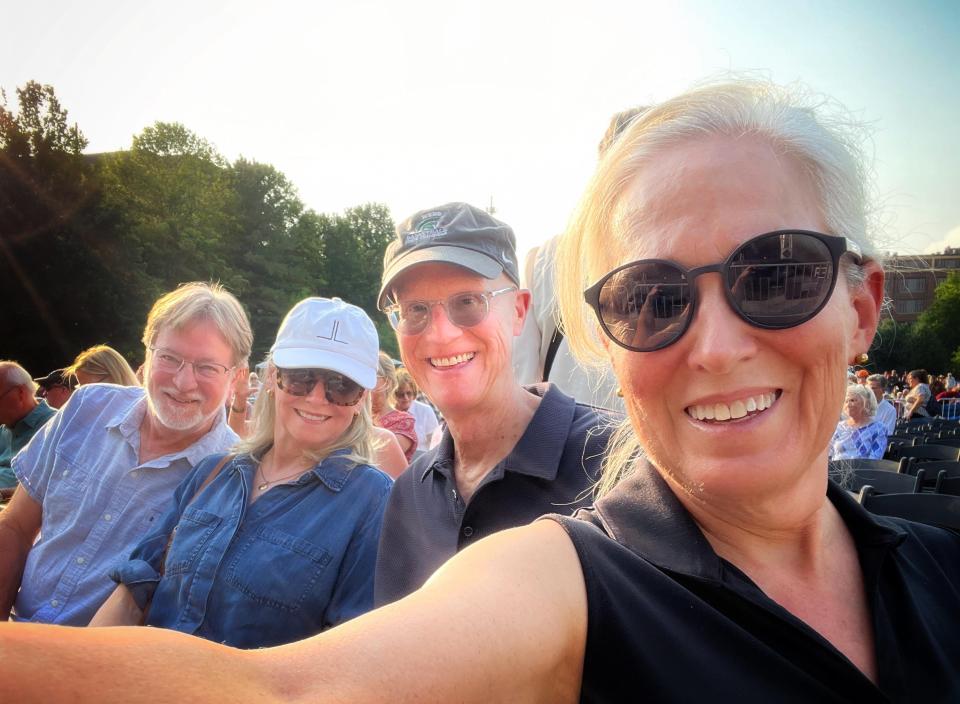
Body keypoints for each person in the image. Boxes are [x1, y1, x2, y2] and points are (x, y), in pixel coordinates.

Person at [3, 79, 960, 704]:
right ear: (608, 338)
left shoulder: (942, 577)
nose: (712, 344)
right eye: (653, 298)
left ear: (864, 306)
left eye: (778, 273)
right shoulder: (545, 556)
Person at [90, 297, 391, 648]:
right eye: (301, 377)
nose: (317, 397)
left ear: (361, 401)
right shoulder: (212, 473)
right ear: (273, 378)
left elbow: (350, 649)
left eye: (342, 385)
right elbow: (134, 590)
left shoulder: (374, 501)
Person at [372, 201, 614, 606]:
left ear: (518, 311)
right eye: (415, 310)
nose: (441, 334)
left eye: (467, 302)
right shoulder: (409, 494)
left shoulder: (612, 464)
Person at [0, 282, 250, 625]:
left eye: (207, 367)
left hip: (100, 666)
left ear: (236, 378)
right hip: (17, 634)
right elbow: (15, 526)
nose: (183, 382)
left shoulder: (234, 476)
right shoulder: (87, 407)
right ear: (146, 357)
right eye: (169, 357)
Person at [512, 108, 646, 413]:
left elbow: (520, 376)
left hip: (564, 441)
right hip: (648, 440)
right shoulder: (678, 248)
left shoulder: (545, 260)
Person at [0, 363, 56, 495]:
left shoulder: (56, 425)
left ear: (20, 393)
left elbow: (52, 487)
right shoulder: (4, 428)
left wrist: (4, 493)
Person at [371, 352, 417, 465]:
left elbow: (378, 459)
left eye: (372, 376)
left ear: (387, 382)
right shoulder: (354, 414)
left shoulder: (402, 421)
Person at [828, 384, 889, 460]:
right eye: (846, 401)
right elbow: (828, 455)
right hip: (836, 470)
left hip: (863, 470)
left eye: (853, 400)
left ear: (866, 403)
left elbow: (875, 460)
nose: (848, 404)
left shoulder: (879, 429)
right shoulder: (838, 427)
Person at [394, 369, 440, 459]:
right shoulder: (390, 414)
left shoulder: (425, 411)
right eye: (401, 394)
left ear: (414, 392)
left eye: (409, 393)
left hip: (423, 461)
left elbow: (435, 443)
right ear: (394, 394)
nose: (406, 398)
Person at [64, 344, 139, 386]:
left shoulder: (146, 408)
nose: (84, 395)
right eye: (80, 388)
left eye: (90, 388)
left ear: (114, 376)